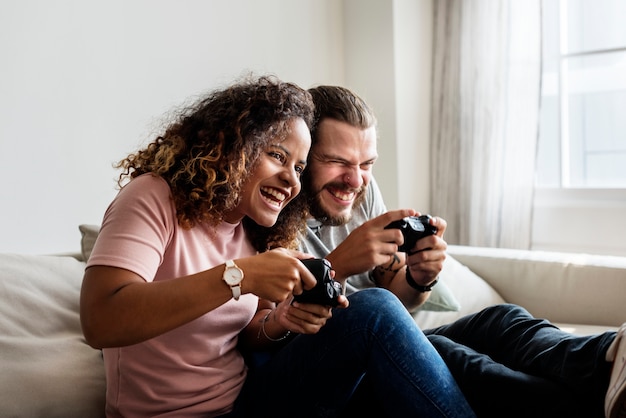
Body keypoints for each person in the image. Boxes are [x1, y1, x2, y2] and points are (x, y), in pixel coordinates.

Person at [79, 75, 476, 418]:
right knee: (376, 310)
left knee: (484, 329)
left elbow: (248, 334)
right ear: (233, 146)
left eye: (299, 167)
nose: (292, 180)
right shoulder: (152, 197)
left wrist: (281, 320)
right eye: (277, 156)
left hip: (249, 400)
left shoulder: (255, 229)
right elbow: (101, 320)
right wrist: (239, 277)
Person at [297, 84, 626, 418]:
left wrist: (418, 278)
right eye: (338, 161)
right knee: (440, 350)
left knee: (500, 319)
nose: (355, 180)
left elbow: (399, 294)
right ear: (304, 156)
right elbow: (274, 331)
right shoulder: (276, 211)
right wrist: (338, 264)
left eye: (366, 163)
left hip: (384, 339)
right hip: (333, 366)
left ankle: (609, 356)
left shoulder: (362, 193)